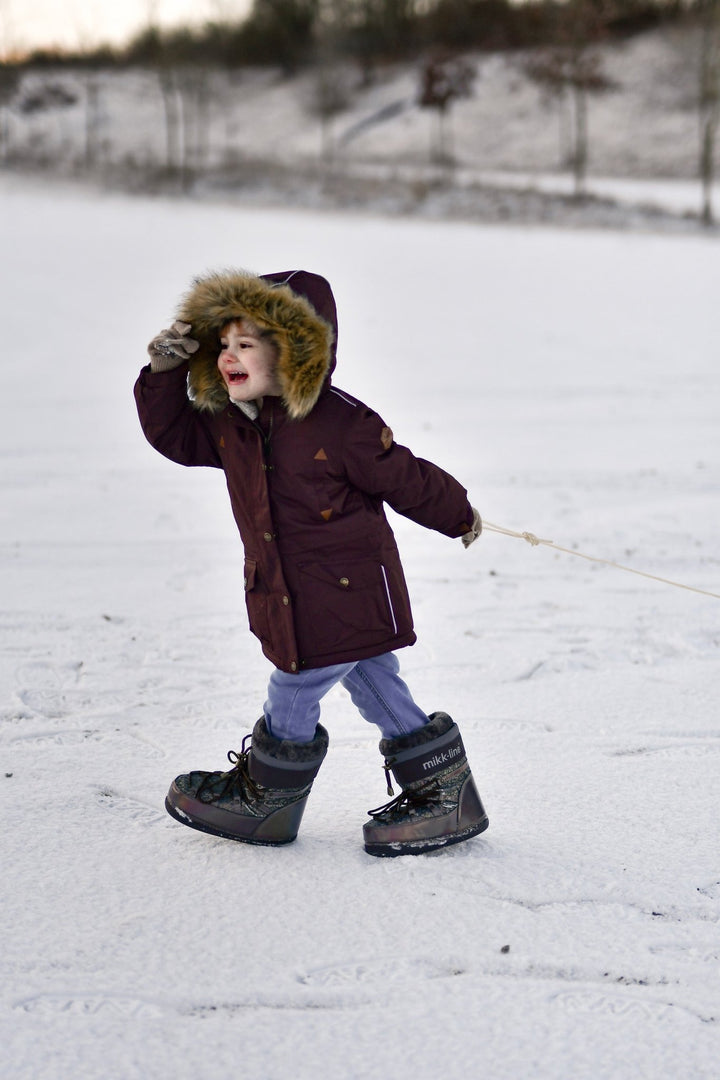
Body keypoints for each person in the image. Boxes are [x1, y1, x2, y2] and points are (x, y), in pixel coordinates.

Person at [134, 268, 488, 857]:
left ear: (294, 352)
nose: (229, 357)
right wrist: (165, 376)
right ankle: (445, 792)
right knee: (375, 683)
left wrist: (459, 514)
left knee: (294, 688)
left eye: (246, 345)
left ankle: (268, 799)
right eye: (223, 345)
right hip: (289, 587)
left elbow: (405, 475)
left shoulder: (341, 422)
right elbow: (173, 435)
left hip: (344, 589)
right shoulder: (232, 425)